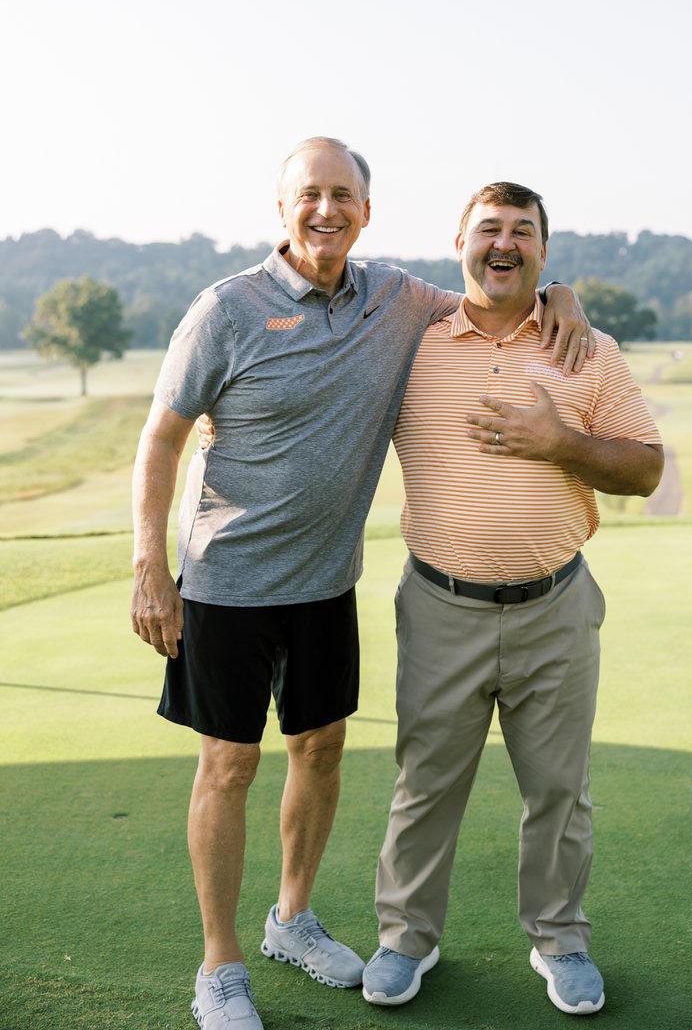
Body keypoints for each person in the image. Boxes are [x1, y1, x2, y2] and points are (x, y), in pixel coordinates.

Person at [130, 138, 593, 1030]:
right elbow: (162, 437)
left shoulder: (396, 299)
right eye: (310, 194)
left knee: (321, 750)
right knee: (229, 766)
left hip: (324, 584)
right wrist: (152, 565)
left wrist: (560, 292)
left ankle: (291, 919)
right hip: (225, 583)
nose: (326, 210)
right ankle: (219, 965)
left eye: (343, 195)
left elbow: (492, 290)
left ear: (367, 212)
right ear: (283, 209)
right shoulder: (225, 309)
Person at [360, 181, 664, 1016]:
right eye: (489, 228)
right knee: (425, 783)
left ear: (543, 250)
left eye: (522, 231)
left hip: (555, 606)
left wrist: (561, 442)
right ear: (458, 241)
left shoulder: (586, 348)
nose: (504, 243)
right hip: (439, 605)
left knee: (559, 791)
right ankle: (406, 939)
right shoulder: (408, 341)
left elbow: (645, 468)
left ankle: (559, 939)